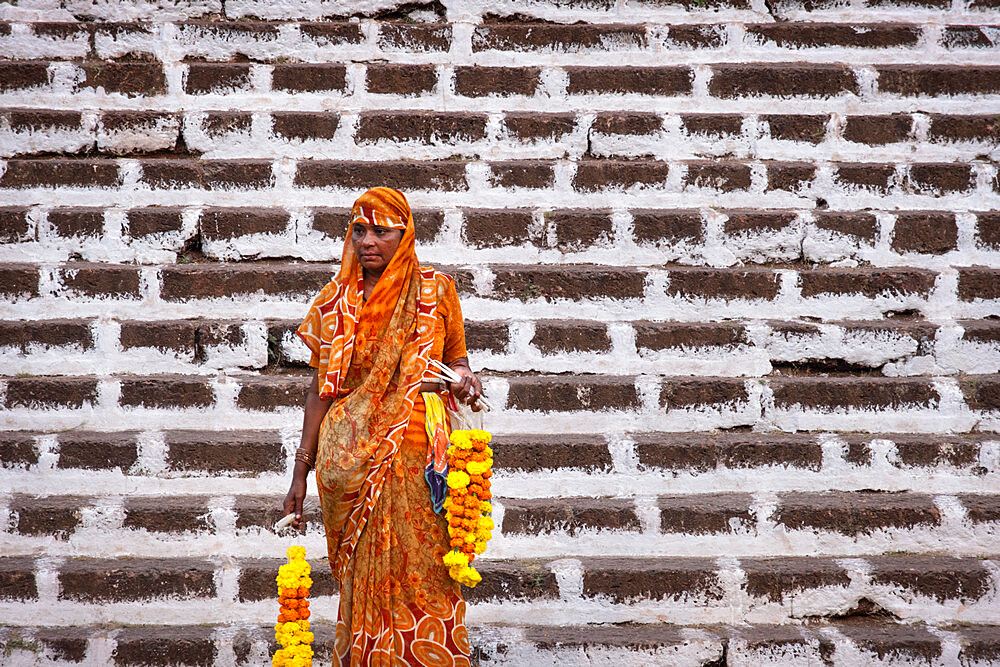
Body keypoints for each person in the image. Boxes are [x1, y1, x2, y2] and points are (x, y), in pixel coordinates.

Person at [283, 187, 483, 666]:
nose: (367, 241)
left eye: (381, 231)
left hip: (418, 455)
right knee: (360, 575)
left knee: (428, 565)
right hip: (347, 460)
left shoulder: (436, 290)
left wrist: (464, 378)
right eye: (359, 230)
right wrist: (300, 471)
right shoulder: (333, 302)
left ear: (405, 233)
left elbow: (457, 358)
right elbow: (320, 388)